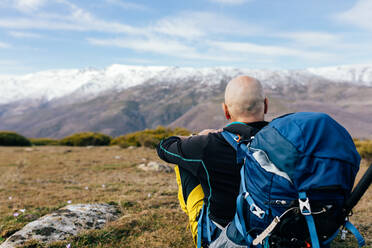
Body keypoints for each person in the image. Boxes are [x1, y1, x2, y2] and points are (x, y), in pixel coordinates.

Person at [156, 76, 269, 247]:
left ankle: (201, 230)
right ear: (266, 105)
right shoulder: (285, 142)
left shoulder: (207, 146)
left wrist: (196, 138)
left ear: (226, 110)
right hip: (273, 229)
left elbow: (164, 147)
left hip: (223, 238)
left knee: (185, 161)